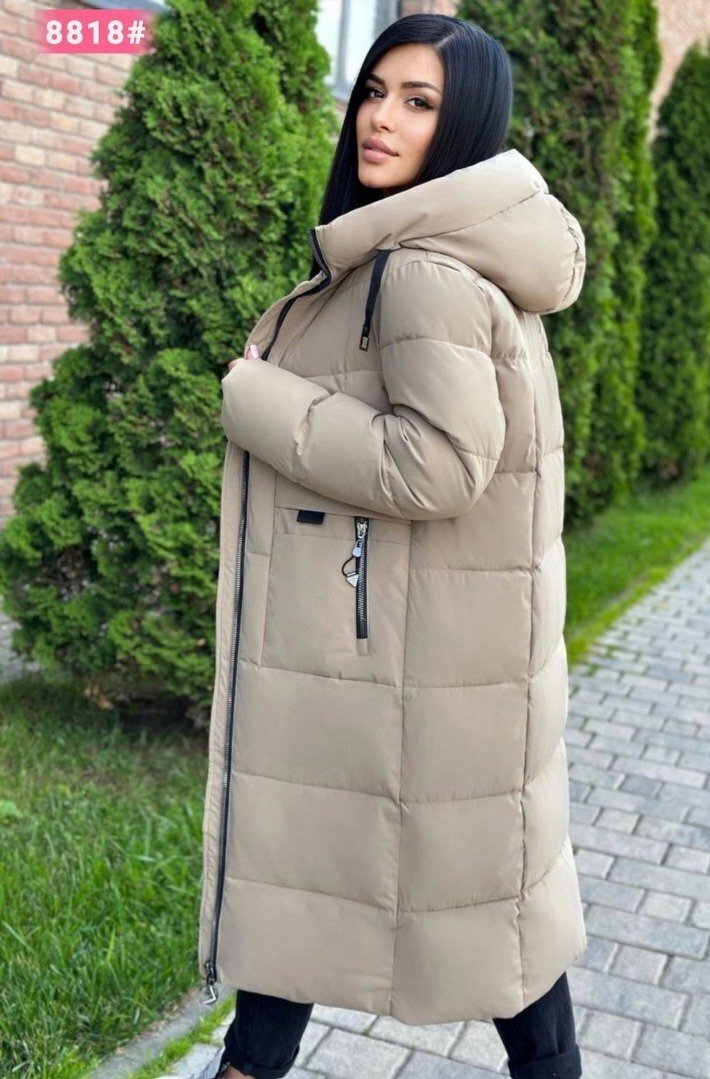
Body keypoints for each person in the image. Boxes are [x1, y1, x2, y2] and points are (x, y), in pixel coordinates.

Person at [196, 12, 588, 1079]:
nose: (379, 118)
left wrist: (256, 398)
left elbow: (438, 464)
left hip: (416, 669)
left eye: (419, 103)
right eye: (375, 90)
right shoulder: (453, 255)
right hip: (441, 658)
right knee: (445, 921)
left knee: (469, 934)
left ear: (463, 127)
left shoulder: (423, 272)